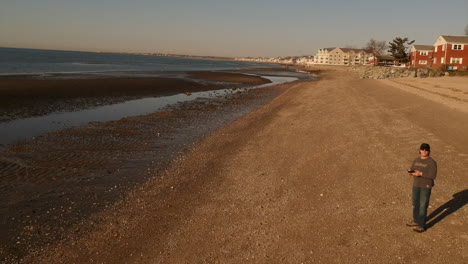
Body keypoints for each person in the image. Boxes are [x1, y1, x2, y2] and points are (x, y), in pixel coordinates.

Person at [406, 143, 437, 233]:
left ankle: (421, 225)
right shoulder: (416, 160)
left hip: (426, 186)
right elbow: (412, 168)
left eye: (426, 150)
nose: (424, 151)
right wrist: (410, 172)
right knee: (415, 203)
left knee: (423, 205)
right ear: (419, 150)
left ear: (429, 151)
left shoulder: (431, 162)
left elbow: (433, 175)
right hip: (416, 184)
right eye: (422, 149)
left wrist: (421, 174)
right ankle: (415, 220)